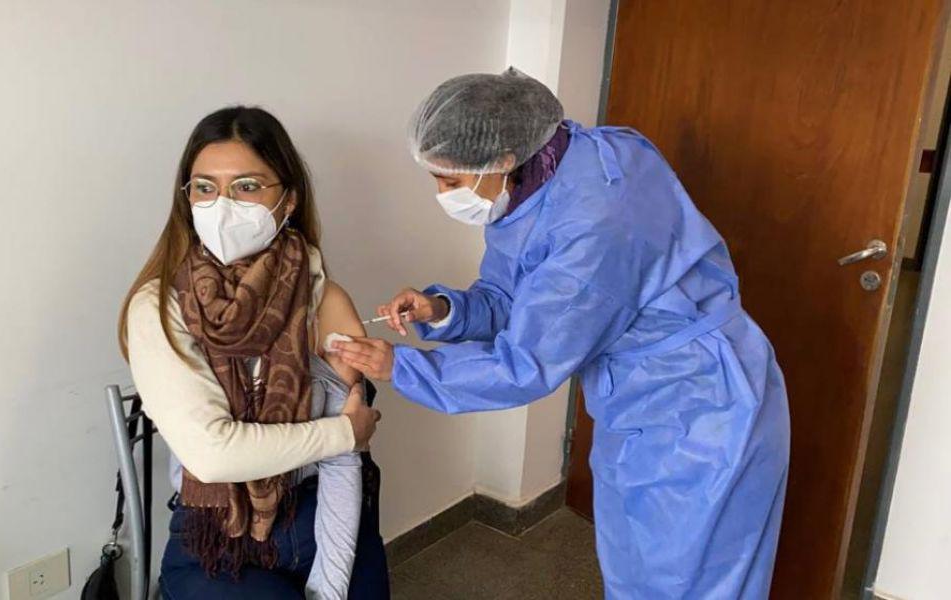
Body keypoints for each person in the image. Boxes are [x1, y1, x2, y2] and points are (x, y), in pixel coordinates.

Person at [335, 68, 790, 599]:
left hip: (698, 407)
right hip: (642, 400)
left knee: (688, 581)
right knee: (637, 569)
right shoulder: (552, 170)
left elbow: (525, 363)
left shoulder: (594, 224)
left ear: (503, 158)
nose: (441, 194)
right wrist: (442, 310)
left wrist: (401, 366)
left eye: (449, 181)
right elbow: (512, 297)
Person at [118, 106, 389, 599]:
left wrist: (330, 589)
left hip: (323, 516)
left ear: (288, 200)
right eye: (204, 187)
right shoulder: (158, 307)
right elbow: (212, 455)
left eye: (246, 186)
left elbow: (344, 464)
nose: (222, 206)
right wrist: (344, 433)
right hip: (214, 533)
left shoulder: (322, 298)